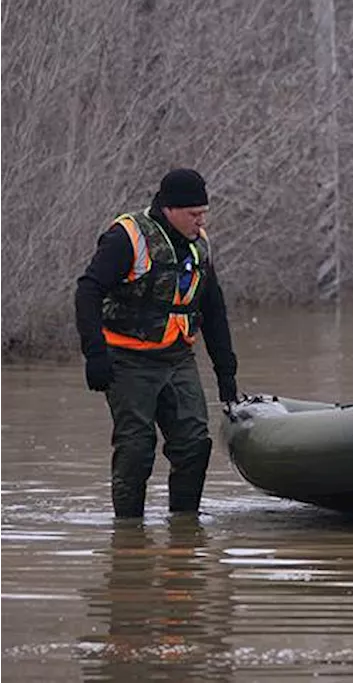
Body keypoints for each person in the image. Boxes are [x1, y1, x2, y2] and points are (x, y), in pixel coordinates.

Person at [74, 168, 239, 520]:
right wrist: (95, 354)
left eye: (204, 213)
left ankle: (184, 531)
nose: (201, 221)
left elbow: (213, 308)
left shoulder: (200, 245)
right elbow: (88, 290)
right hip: (127, 360)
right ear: (170, 209)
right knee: (136, 448)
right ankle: (129, 535)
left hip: (177, 358)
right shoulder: (127, 237)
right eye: (194, 214)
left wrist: (226, 373)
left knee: (195, 443)